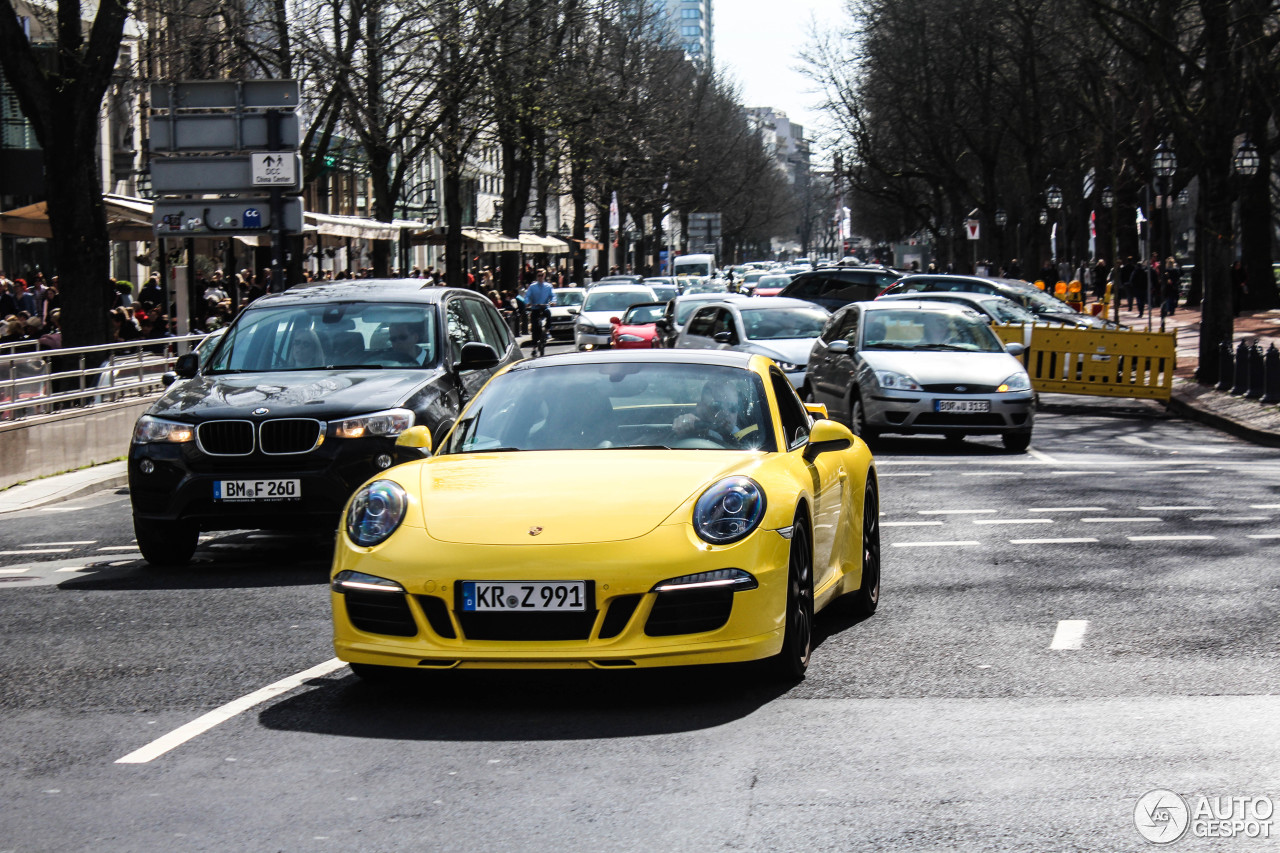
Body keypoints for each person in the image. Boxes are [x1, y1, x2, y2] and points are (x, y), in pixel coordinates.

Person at [672, 381, 757, 448]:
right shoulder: (691, 427)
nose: (726, 413)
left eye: (733, 408)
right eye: (717, 407)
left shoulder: (753, 437)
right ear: (700, 408)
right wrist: (682, 425)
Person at [525, 269, 555, 356]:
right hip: (535, 308)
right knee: (534, 328)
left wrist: (553, 302)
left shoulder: (548, 286)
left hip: (544, 307)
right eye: (539, 275)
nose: (540, 277)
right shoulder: (532, 286)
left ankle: (547, 330)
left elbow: (552, 296)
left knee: (548, 314)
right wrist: (527, 303)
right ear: (536, 276)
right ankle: (534, 347)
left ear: (544, 276)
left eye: (542, 275)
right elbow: (527, 296)